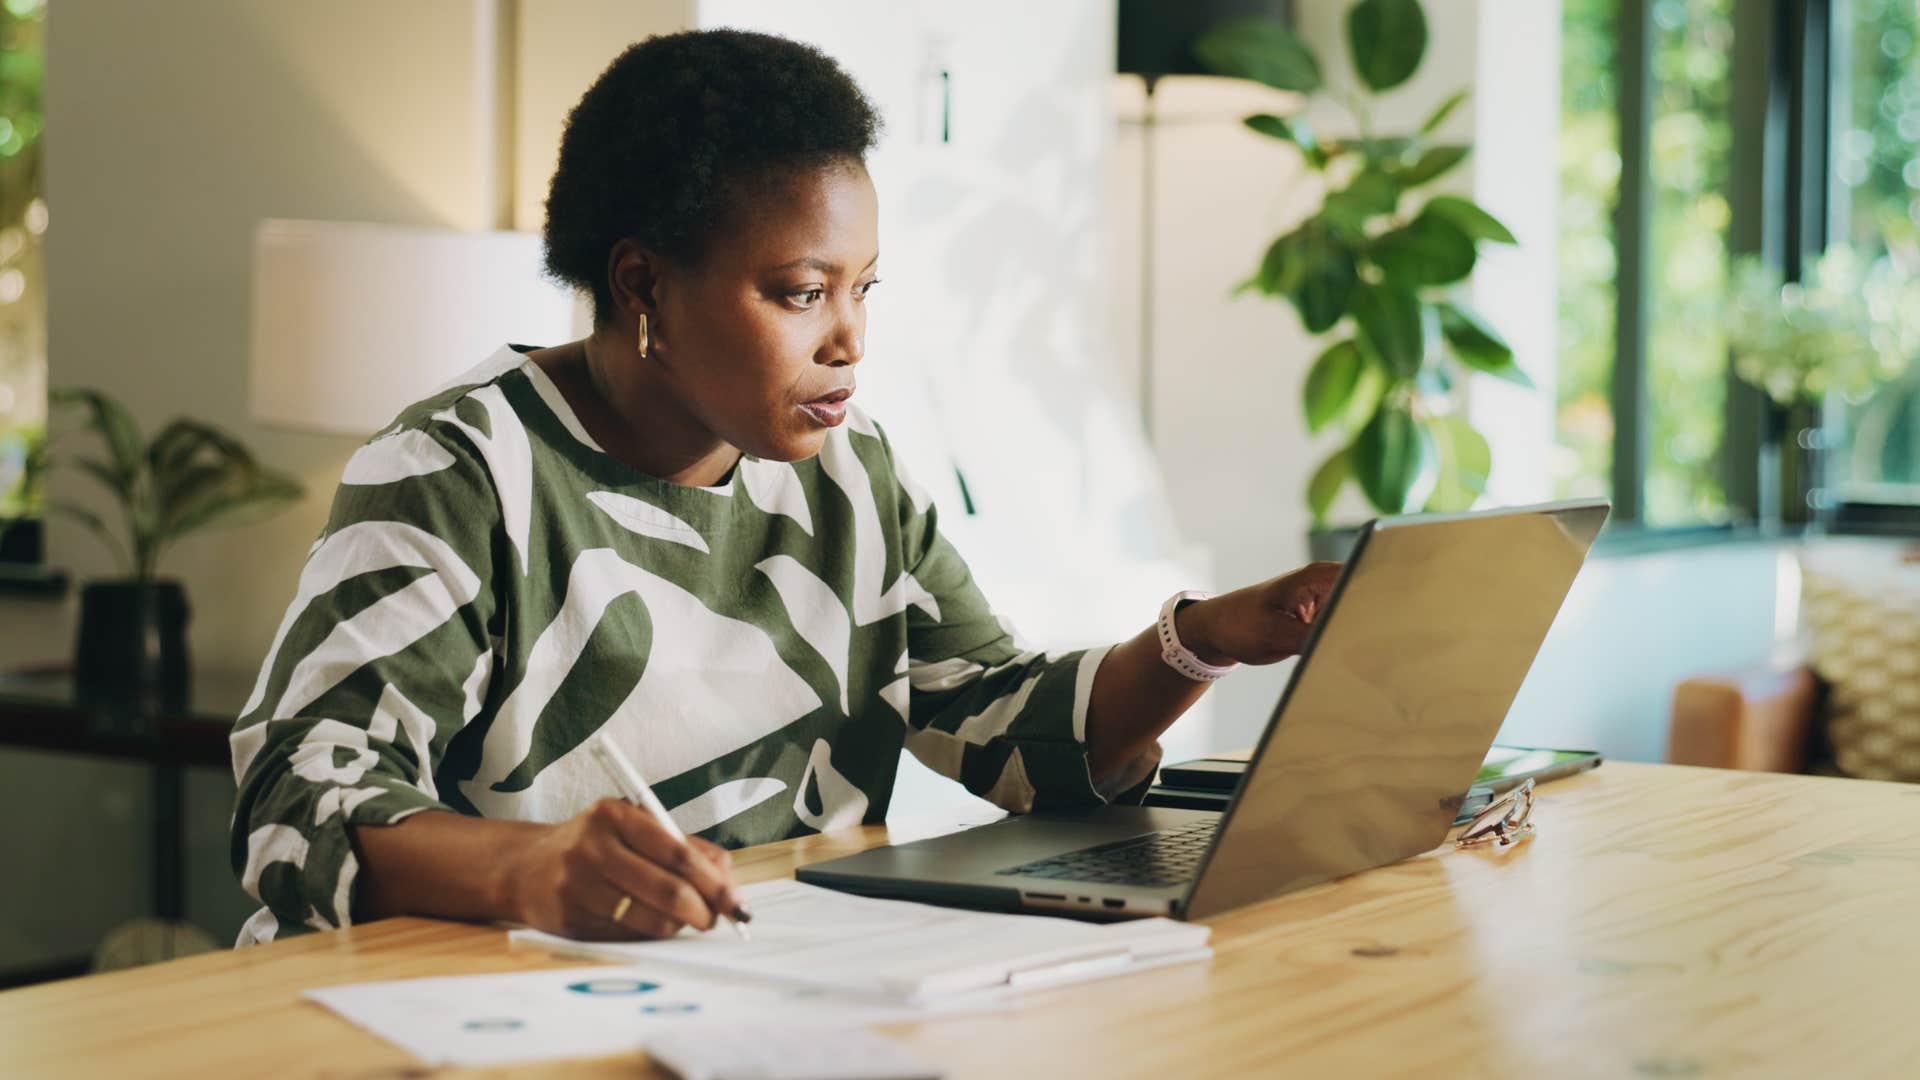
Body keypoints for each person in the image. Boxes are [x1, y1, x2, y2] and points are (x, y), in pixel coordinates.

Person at [227, 28, 1340, 947]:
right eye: (802, 293)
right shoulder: (461, 472)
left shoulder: (851, 481)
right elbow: (295, 803)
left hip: (762, 999)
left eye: (864, 288)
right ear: (641, 282)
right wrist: (527, 869)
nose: (850, 340)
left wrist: (1205, 638)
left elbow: (1005, 733)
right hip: (468, 1019)